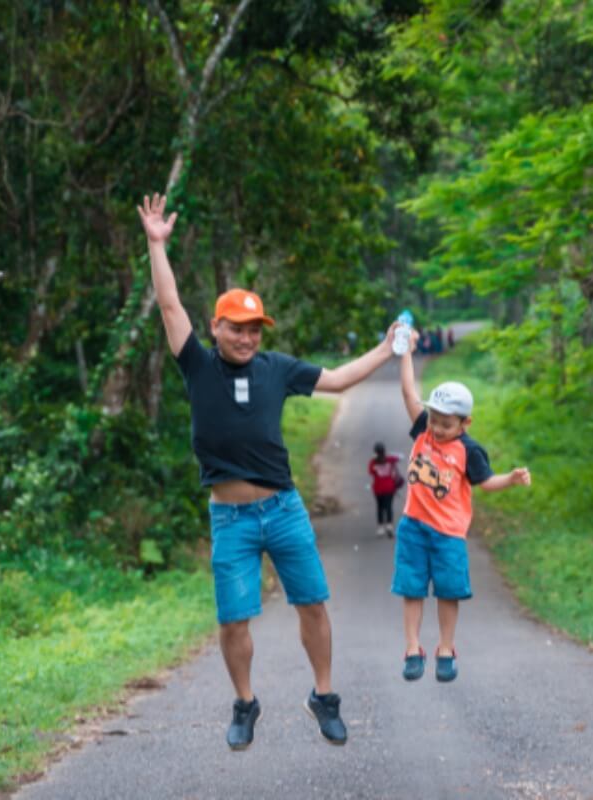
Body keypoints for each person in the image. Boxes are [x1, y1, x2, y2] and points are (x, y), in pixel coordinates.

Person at [137, 193, 402, 751]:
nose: (248, 336)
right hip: (231, 518)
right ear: (217, 327)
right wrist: (157, 244)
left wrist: (383, 352)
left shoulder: (278, 369)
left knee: (313, 603)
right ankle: (245, 703)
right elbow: (168, 307)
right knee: (234, 620)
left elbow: (336, 379)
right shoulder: (197, 365)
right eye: (238, 327)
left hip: (283, 508)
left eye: (255, 328)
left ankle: (324, 697)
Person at [392, 329, 531, 683]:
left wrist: (511, 479)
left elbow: (486, 482)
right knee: (411, 587)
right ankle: (412, 648)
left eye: (446, 424)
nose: (436, 428)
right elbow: (409, 392)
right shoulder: (423, 429)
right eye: (434, 419)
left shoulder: (469, 451)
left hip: (449, 534)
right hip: (413, 526)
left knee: (448, 591)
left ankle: (445, 647)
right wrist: (406, 351)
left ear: (465, 423)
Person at [368, 442, 402, 537]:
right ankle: (389, 525)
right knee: (389, 506)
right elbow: (399, 457)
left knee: (380, 507)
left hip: (378, 488)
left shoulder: (373, 463)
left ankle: (380, 527)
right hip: (390, 487)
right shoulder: (390, 460)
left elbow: (371, 472)